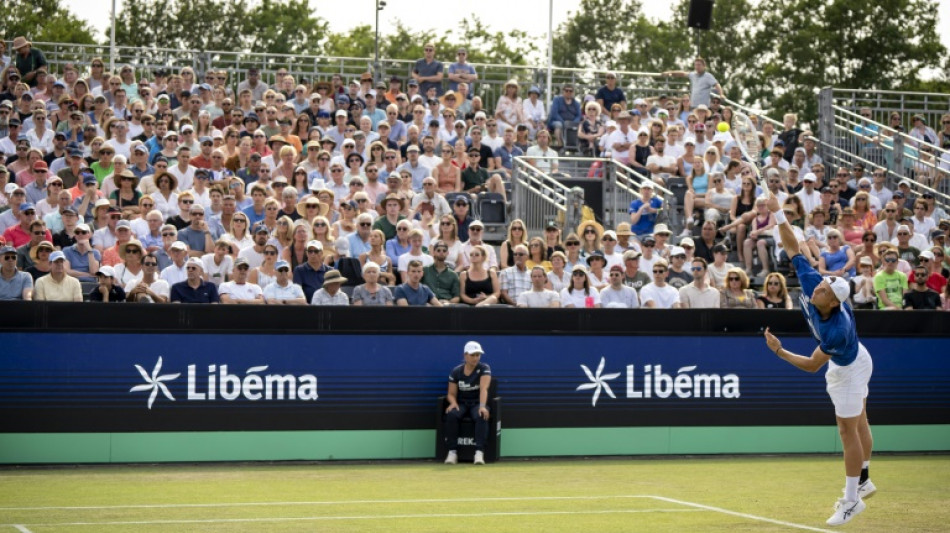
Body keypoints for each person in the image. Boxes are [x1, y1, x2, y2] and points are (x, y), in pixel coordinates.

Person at [762, 191, 876, 526]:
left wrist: (779, 351)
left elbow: (813, 365)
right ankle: (865, 478)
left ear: (834, 303)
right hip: (859, 359)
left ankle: (852, 499)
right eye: (821, 285)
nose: (816, 290)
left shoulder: (835, 330)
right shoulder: (816, 285)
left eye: (824, 291)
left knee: (847, 430)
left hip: (850, 370)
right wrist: (778, 214)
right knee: (861, 422)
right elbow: (792, 247)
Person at [443, 340, 492, 466]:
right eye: (472, 355)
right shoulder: (456, 371)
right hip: (462, 403)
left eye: (478, 355)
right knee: (452, 414)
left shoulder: (484, 368)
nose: (476, 358)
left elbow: (483, 389)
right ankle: (452, 452)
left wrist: (482, 406)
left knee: (482, 415)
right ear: (465, 355)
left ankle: (479, 453)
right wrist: (453, 403)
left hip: (477, 403)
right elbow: (451, 393)